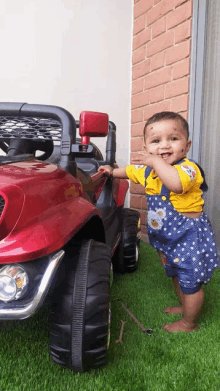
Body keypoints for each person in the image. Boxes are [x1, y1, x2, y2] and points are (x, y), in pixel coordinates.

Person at [98, 111, 218, 333]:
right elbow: (130, 171)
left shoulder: (188, 169)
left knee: (191, 281)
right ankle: (184, 307)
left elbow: (174, 184)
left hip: (188, 238)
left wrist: (154, 161)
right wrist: (112, 171)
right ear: (145, 148)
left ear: (187, 145)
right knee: (176, 274)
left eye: (173, 139)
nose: (164, 146)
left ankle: (188, 323)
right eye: (156, 141)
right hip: (167, 240)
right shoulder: (147, 171)